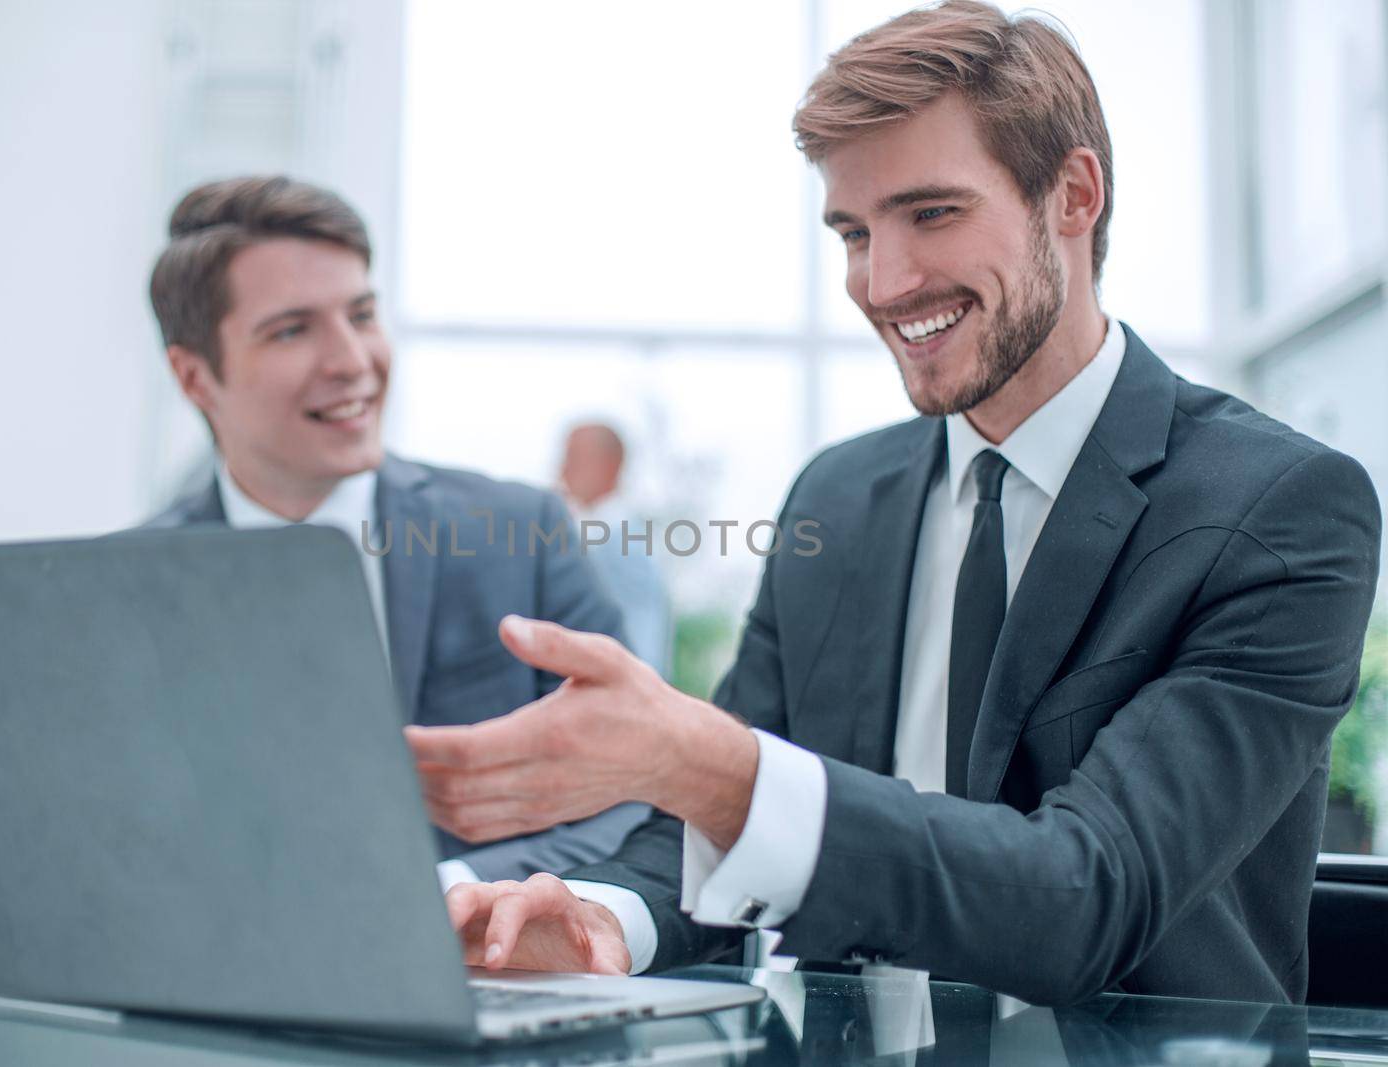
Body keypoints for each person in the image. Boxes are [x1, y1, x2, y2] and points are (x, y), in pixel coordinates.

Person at [404, 0, 1382, 1005]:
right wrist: (602, 914)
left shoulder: (1278, 509)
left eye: (931, 213)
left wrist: (711, 762)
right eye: (851, 231)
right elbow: (718, 838)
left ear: (1072, 196)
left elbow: (1089, 892)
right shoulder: (838, 497)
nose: (882, 280)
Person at [141, 175, 647, 888]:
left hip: (479, 974)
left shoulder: (518, 533)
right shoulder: (132, 588)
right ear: (195, 377)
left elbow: (638, 792)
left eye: (362, 314)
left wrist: (449, 894)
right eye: (292, 329)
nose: (352, 360)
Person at [558, 422, 672, 677]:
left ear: (609, 465)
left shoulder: (618, 535)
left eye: (573, 459)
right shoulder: (608, 530)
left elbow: (643, 633)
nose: (562, 471)